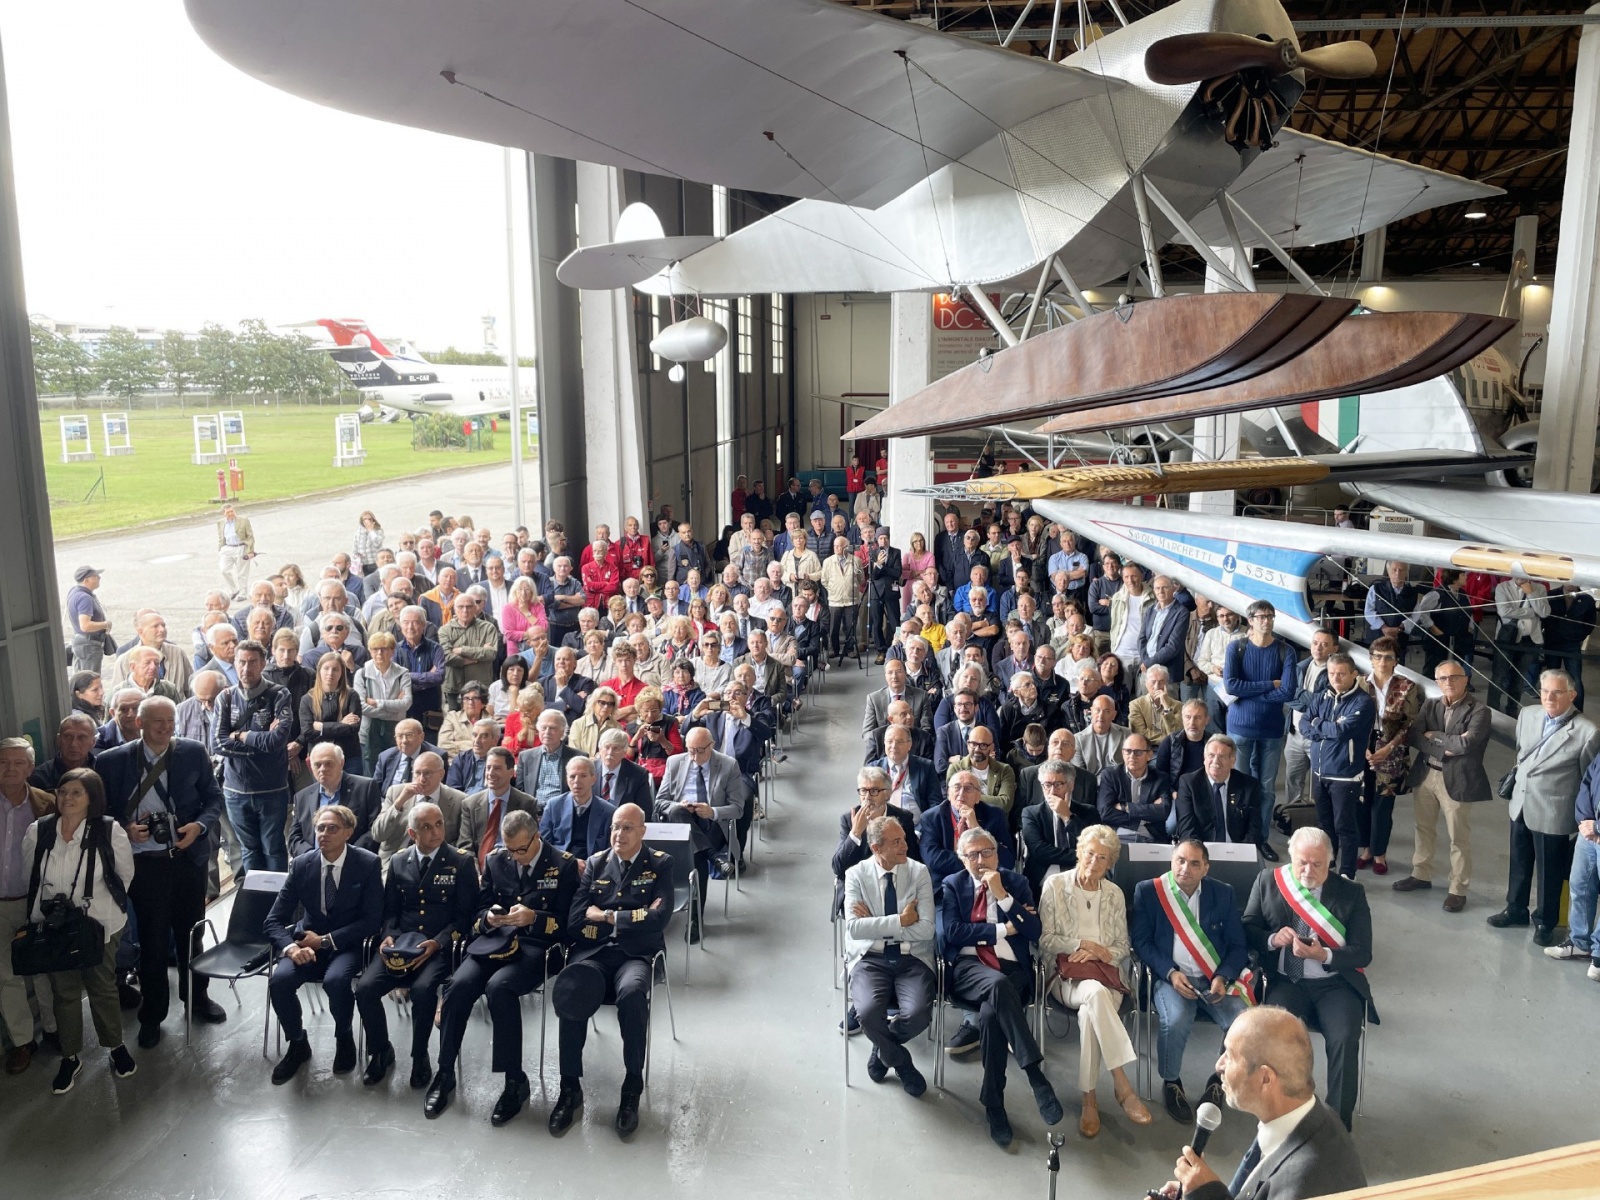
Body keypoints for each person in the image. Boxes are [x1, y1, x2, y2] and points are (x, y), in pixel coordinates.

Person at [428, 806, 578, 1121]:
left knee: (500, 988)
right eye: (510, 850)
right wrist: (489, 917)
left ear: (537, 836)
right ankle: (444, 1073)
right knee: (458, 986)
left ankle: (514, 1081)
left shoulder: (562, 866)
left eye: (521, 849)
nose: (515, 856)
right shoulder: (497, 860)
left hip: (535, 947)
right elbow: (479, 909)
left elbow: (569, 925)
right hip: (494, 942)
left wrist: (535, 918)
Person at [94, 696, 226, 1047]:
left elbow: (214, 798)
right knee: (151, 942)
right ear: (139, 724)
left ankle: (197, 999)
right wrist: (124, 827)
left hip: (185, 859)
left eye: (170, 721)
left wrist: (199, 826)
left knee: (192, 935)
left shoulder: (193, 752)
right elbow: (99, 812)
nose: (166, 727)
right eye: (157, 722)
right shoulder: (111, 761)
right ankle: (153, 1014)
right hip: (143, 865)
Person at [549, 802, 674, 1138]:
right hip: (595, 952)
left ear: (642, 831)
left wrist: (607, 917)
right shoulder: (595, 863)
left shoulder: (660, 864)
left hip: (636, 955)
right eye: (616, 827)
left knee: (633, 994)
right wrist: (632, 917)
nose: (619, 834)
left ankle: (632, 1084)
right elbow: (575, 921)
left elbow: (659, 918)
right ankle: (569, 1087)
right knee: (572, 987)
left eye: (628, 828)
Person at [1242, 828, 1376, 1129]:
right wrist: (1273, 938)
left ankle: (1337, 1126)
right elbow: (1248, 927)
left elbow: (1363, 952)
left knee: (1344, 1038)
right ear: (1291, 858)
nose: (1308, 870)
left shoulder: (1351, 893)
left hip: (1335, 984)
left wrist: (1324, 955)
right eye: (1302, 862)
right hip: (1285, 981)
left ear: (1330, 862)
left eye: (1317, 864)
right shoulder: (1268, 881)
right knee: (1276, 1040)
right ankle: (1280, 1115)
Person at [1158, 1007, 1366, 1200]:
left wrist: (1208, 1195)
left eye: (1229, 1056)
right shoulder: (1315, 1117)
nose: (1219, 1065)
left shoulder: (1302, 1184)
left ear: (1265, 1078)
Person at [936, 827, 1062, 1146]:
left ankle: (994, 1104)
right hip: (968, 968)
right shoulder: (952, 885)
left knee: (993, 1013)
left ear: (998, 853)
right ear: (962, 858)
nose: (981, 861)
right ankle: (1035, 1076)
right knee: (997, 986)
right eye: (973, 855)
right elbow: (951, 932)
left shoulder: (1016, 883)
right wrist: (1003, 930)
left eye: (987, 852)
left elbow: (1033, 931)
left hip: (1012, 969)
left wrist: (1003, 897)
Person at [22, 768, 136, 1094]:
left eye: (76, 792)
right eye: (63, 792)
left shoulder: (108, 831)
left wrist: (101, 910)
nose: (67, 799)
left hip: (100, 924)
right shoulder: (39, 831)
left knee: (102, 988)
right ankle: (70, 1056)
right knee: (65, 993)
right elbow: (32, 878)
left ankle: (115, 1047)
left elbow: (124, 876)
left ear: (91, 797)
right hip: (55, 929)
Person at [353, 801, 477, 1089]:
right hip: (401, 946)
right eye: (425, 827)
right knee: (365, 988)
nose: (435, 832)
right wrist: (388, 934)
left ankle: (420, 1055)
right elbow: (391, 910)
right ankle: (381, 1050)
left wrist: (439, 942)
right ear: (412, 833)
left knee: (422, 992)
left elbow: (465, 917)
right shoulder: (399, 861)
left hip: (438, 948)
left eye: (438, 825)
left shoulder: (461, 861)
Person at [1038, 823, 1151, 1135]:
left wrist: (1101, 952)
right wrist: (1081, 946)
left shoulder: (1113, 894)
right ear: (1079, 852)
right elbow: (1045, 939)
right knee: (1092, 995)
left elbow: (1121, 946)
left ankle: (1090, 1099)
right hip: (1066, 978)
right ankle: (1121, 1083)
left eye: (1102, 858)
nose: (1094, 862)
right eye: (1089, 854)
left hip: (1107, 977)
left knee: (1093, 1008)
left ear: (1110, 862)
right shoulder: (1055, 886)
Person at [264, 803, 384, 1084]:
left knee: (336, 981)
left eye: (332, 828)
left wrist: (327, 941)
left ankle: (344, 1036)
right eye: (320, 828)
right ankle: (297, 1043)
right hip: (306, 945)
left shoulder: (367, 863)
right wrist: (292, 948)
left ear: (348, 832)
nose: (324, 834)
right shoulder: (302, 864)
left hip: (347, 944)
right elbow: (273, 920)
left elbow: (372, 920)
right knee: (279, 981)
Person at [1131, 839, 1249, 1123]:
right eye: (1180, 860)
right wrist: (1170, 973)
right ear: (1172, 861)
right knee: (1176, 1019)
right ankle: (1171, 1083)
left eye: (1194, 863)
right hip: (1170, 977)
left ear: (1205, 868)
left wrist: (1222, 976)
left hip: (1213, 979)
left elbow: (1238, 945)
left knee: (1243, 1023)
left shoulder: (1223, 894)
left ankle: (1218, 1081)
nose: (1185, 868)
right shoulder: (1149, 892)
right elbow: (1142, 942)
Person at [1491, 669, 1600, 945]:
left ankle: (1545, 921)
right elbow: (1521, 753)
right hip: (1521, 802)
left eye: (1557, 692)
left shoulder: (1588, 731)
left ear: (1572, 695)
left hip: (1554, 811)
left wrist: (1583, 818)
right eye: (1545, 691)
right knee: (1519, 861)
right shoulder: (1528, 715)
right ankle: (1515, 909)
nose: (1549, 697)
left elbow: (1587, 777)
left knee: (1550, 871)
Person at [844, 815, 935, 1099]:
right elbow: (855, 929)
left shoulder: (919, 872)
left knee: (919, 1014)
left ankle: (882, 1049)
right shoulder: (855, 875)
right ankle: (902, 1062)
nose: (905, 846)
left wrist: (879, 924)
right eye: (896, 842)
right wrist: (900, 920)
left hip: (912, 959)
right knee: (868, 1013)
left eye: (904, 839)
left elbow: (927, 929)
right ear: (876, 848)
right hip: (870, 960)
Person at [1394, 659, 1491, 914]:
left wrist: (1433, 735)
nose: (1448, 682)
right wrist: (1444, 743)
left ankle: (1457, 890)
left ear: (1465, 679)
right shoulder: (1431, 704)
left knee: (1459, 838)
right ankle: (1421, 874)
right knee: (1423, 828)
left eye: (1454, 677)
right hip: (1427, 775)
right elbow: (1415, 736)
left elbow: (1465, 746)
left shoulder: (1479, 710)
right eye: (1443, 679)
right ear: (1437, 682)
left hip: (1457, 781)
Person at [655, 728, 749, 936]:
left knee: (694, 857)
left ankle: (695, 918)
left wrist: (712, 811)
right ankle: (714, 858)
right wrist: (679, 805)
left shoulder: (728, 765)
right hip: (680, 825)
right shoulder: (675, 763)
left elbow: (738, 808)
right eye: (690, 751)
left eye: (700, 751)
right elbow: (660, 802)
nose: (695, 757)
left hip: (711, 826)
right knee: (679, 813)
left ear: (711, 745)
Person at [0, 739, 57, 1074]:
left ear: (30, 768)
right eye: (3, 761)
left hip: (36, 902)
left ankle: (52, 1030)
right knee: (5, 976)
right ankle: (23, 1041)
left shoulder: (47, 805)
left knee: (43, 972)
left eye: (18, 762)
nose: (9, 768)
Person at [1223, 602, 1298, 847]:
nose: (1266, 620)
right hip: (1241, 728)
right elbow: (1231, 686)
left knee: (1266, 789)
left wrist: (1251, 693)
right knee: (1241, 788)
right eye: (1261, 616)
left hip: (1271, 728)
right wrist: (1269, 684)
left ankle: (1260, 839)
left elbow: (1287, 691)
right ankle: (1240, 838)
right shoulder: (1236, 648)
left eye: (1270, 616)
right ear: (1250, 620)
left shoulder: (1286, 651)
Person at [215, 639, 293, 872]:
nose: (246, 669)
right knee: (249, 849)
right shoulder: (226, 697)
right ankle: (256, 898)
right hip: (236, 790)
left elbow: (277, 740)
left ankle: (279, 899)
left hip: (272, 790)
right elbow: (218, 743)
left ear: (263, 664)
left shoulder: (279, 695)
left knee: (274, 848)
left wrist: (239, 735)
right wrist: (261, 745)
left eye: (252, 662)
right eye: (241, 662)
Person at [1302, 654, 1376, 880]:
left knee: (1344, 825)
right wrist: (1324, 725)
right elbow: (1304, 723)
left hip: (1345, 776)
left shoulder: (1363, 702)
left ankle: (1347, 873)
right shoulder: (1322, 696)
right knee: (1324, 823)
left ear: (1354, 674)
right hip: (1318, 772)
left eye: (1341, 673)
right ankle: (1329, 860)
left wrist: (1319, 724)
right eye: (1332, 673)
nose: (1335, 678)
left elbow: (1343, 732)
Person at [1358, 636, 1419, 874]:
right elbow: (1353, 717)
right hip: (1364, 744)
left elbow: (1411, 723)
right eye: (1378, 656)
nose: (1383, 661)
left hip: (1392, 747)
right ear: (1371, 659)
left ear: (1396, 660)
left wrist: (1389, 747)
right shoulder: (1360, 683)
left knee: (1383, 804)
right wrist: (1363, 746)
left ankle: (1380, 853)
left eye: (1388, 657)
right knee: (1362, 801)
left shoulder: (1407, 686)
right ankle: (1366, 850)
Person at [370, 751, 464, 870]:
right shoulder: (395, 793)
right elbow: (378, 834)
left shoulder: (459, 800)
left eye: (427, 773)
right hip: (395, 862)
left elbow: (460, 843)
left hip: (439, 863)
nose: (421, 779)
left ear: (441, 774)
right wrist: (399, 802)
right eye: (417, 773)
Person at [288, 743, 382, 858]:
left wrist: (347, 855)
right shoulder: (302, 797)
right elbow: (294, 837)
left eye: (328, 764)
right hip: (313, 865)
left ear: (341, 763)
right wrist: (313, 857)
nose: (322, 769)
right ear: (311, 767)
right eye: (317, 765)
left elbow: (374, 830)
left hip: (354, 863)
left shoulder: (365, 787)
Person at [1175, 735, 1265, 849]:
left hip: (1237, 848)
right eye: (1211, 755)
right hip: (1202, 850)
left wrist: (1241, 852)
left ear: (1232, 761)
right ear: (1204, 758)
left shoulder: (1249, 785)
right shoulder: (1189, 784)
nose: (1215, 761)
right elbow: (1187, 830)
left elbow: (1254, 828)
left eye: (1222, 756)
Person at [456, 748, 537, 868]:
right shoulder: (470, 804)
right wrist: (475, 872)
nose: (491, 773)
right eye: (488, 768)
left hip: (512, 867)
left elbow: (529, 844)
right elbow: (465, 845)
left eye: (497, 768)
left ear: (511, 772)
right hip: (478, 868)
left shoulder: (527, 803)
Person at [1097, 733, 1173, 844]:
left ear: (1149, 755)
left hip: (1151, 836)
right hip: (1117, 835)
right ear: (1122, 753)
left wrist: (1125, 807)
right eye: (1128, 751)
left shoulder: (1161, 778)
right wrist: (1145, 815)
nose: (1132, 756)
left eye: (1138, 752)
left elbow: (1163, 812)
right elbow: (1105, 813)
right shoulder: (1110, 775)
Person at [354, 632, 411, 775]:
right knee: (371, 775)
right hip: (369, 733)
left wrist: (377, 703)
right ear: (370, 651)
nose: (379, 653)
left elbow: (406, 703)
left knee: (394, 772)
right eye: (375, 649)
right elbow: (361, 707)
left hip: (395, 731)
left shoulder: (402, 673)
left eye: (384, 648)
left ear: (392, 651)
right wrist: (395, 709)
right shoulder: (361, 674)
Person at [1492, 576, 1549, 715]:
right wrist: (1531, 612)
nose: (1520, 576)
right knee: (1499, 676)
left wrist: (1531, 593)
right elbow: (1504, 612)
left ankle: (1512, 710)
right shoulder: (1503, 587)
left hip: (1530, 639)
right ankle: (1492, 709)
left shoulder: (1539, 588)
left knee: (1519, 678)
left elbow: (1545, 612)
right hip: (1507, 638)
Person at [539, 755, 616, 859]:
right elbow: (544, 845)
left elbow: (611, 851)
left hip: (594, 868)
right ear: (566, 779)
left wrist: (590, 865)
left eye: (583, 776)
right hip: (560, 865)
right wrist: (571, 862)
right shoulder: (553, 807)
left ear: (593, 779)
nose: (577, 781)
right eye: (572, 776)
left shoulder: (609, 811)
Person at [1363, 559, 1419, 659]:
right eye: (1394, 570)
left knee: (1398, 667)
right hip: (1377, 636)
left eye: (1401, 570)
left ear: (1406, 573)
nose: (1397, 573)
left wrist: (1400, 628)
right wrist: (1385, 628)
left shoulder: (1413, 593)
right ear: (1388, 572)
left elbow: (1416, 614)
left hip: (1400, 638)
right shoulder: (1376, 589)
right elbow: (1369, 611)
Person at [66, 565, 114, 674]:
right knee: (90, 679)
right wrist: (106, 624)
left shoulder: (74, 592)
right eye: (95, 576)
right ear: (86, 580)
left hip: (80, 641)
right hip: (89, 645)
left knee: (80, 676)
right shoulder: (84, 598)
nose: (99, 578)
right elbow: (86, 626)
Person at [216, 503, 257, 599]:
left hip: (240, 547)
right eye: (228, 512)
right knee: (224, 570)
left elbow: (250, 536)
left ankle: (242, 594)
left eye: (232, 511)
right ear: (224, 513)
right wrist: (220, 548)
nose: (231, 514)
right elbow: (220, 536)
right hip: (227, 548)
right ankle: (234, 590)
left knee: (242, 572)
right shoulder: (220, 523)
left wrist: (250, 551)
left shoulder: (243, 520)